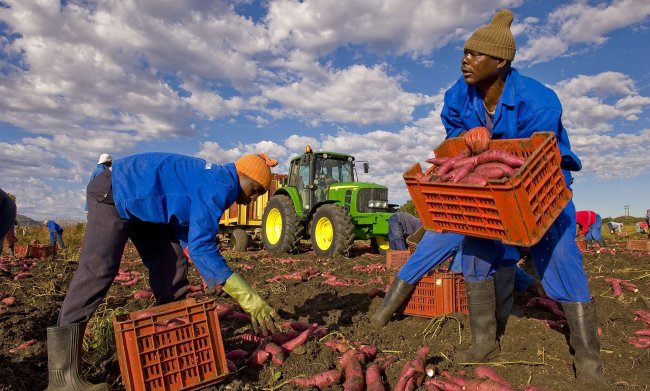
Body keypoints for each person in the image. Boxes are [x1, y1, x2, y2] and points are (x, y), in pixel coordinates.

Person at [438, 9, 604, 384]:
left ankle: (589, 361)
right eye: (463, 52)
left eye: (474, 54)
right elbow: (455, 137)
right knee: (475, 252)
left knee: (560, 256)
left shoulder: (539, 100)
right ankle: (485, 341)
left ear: (500, 61)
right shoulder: (457, 96)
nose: (465, 60)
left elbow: (525, 157)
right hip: (486, 191)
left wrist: (485, 149)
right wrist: (467, 140)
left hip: (541, 187)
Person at [45, 152, 282, 390]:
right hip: (115, 192)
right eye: (254, 190)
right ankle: (62, 378)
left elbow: (189, 237)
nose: (251, 199)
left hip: (146, 212)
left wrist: (209, 272)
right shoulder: (220, 185)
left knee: (172, 265)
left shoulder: (216, 181)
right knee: (98, 270)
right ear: (242, 174)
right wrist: (248, 298)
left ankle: (167, 344)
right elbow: (202, 247)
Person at [0, 189, 17, 254]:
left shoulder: (10, 203)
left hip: (6, 223)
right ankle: (11, 250)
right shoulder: (12, 204)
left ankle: (11, 250)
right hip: (7, 223)